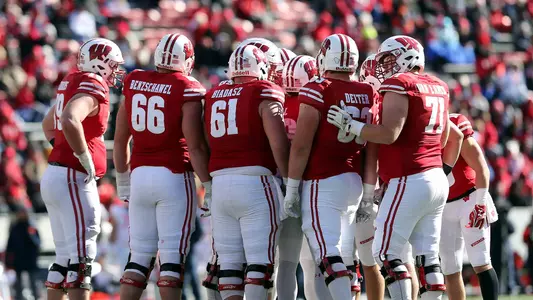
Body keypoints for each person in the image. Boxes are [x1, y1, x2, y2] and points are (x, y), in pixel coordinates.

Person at [326, 35, 456, 300]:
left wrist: (353, 125)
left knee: (385, 253)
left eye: (388, 58)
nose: (384, 65)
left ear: (407, 56)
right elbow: (444, 138)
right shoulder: (439, 85)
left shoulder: (400, 83)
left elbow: (389, 134)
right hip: (435, 176)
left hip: (410, 178)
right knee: (428, 257)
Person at [113, 33, 211, 300]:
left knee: (139, 258)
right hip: (173, 176)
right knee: (171, 261)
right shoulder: (185, 86)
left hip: (139, 176)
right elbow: (195, 145)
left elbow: (121, 139)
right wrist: (209, 184)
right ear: (186, 60)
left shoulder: (134, 81)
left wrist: (122, 181)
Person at [284, 33, 379, 300]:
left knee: (325, 254)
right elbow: (371, 145)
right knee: (344, 255)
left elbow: (301, 146)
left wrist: (292, 189)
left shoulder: (319, 87)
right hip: (353, 181)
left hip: (323, 180)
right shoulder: (367, 91)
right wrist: (369, 193)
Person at [204, 44, 289, 300]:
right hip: (255, 182)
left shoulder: (213, 94)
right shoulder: (264, 90)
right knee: (259, 265)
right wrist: (289, 182)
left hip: (219, 183)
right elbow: (278, 143)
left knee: (229, 264)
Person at [40, 38, 123, 300]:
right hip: (71, 177)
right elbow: (68, 118)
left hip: (57, 174)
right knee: (82, 259)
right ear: (100, 63)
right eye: (113, 65)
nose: (116, 71)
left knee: (64, 258)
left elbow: (48, 123)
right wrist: (82, 155)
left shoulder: (73, 79)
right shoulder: (93, 83)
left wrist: (62, 146)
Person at [277, 54, 325, 300]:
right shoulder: (316, 101)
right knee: (316, 261)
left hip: (282, 183)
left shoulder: (277, 101)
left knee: (286, 261)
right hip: (314, 184)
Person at [440, 113, 499, 300]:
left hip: (470, 199)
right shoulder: (419, 129)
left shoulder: (454, 123)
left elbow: (481, 167)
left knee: (481, 262)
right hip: (443, 205)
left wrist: (481, 203)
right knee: (449, 268)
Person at [5, 205, 41, 300]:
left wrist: (31, 235)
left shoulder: (31, 227)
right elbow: (10, 245)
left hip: (30, 259)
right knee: (18, 284)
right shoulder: (15, 227)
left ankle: (36, 297)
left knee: (33, 281)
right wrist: (7, 261)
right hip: (18, 259)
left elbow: (38, 243)